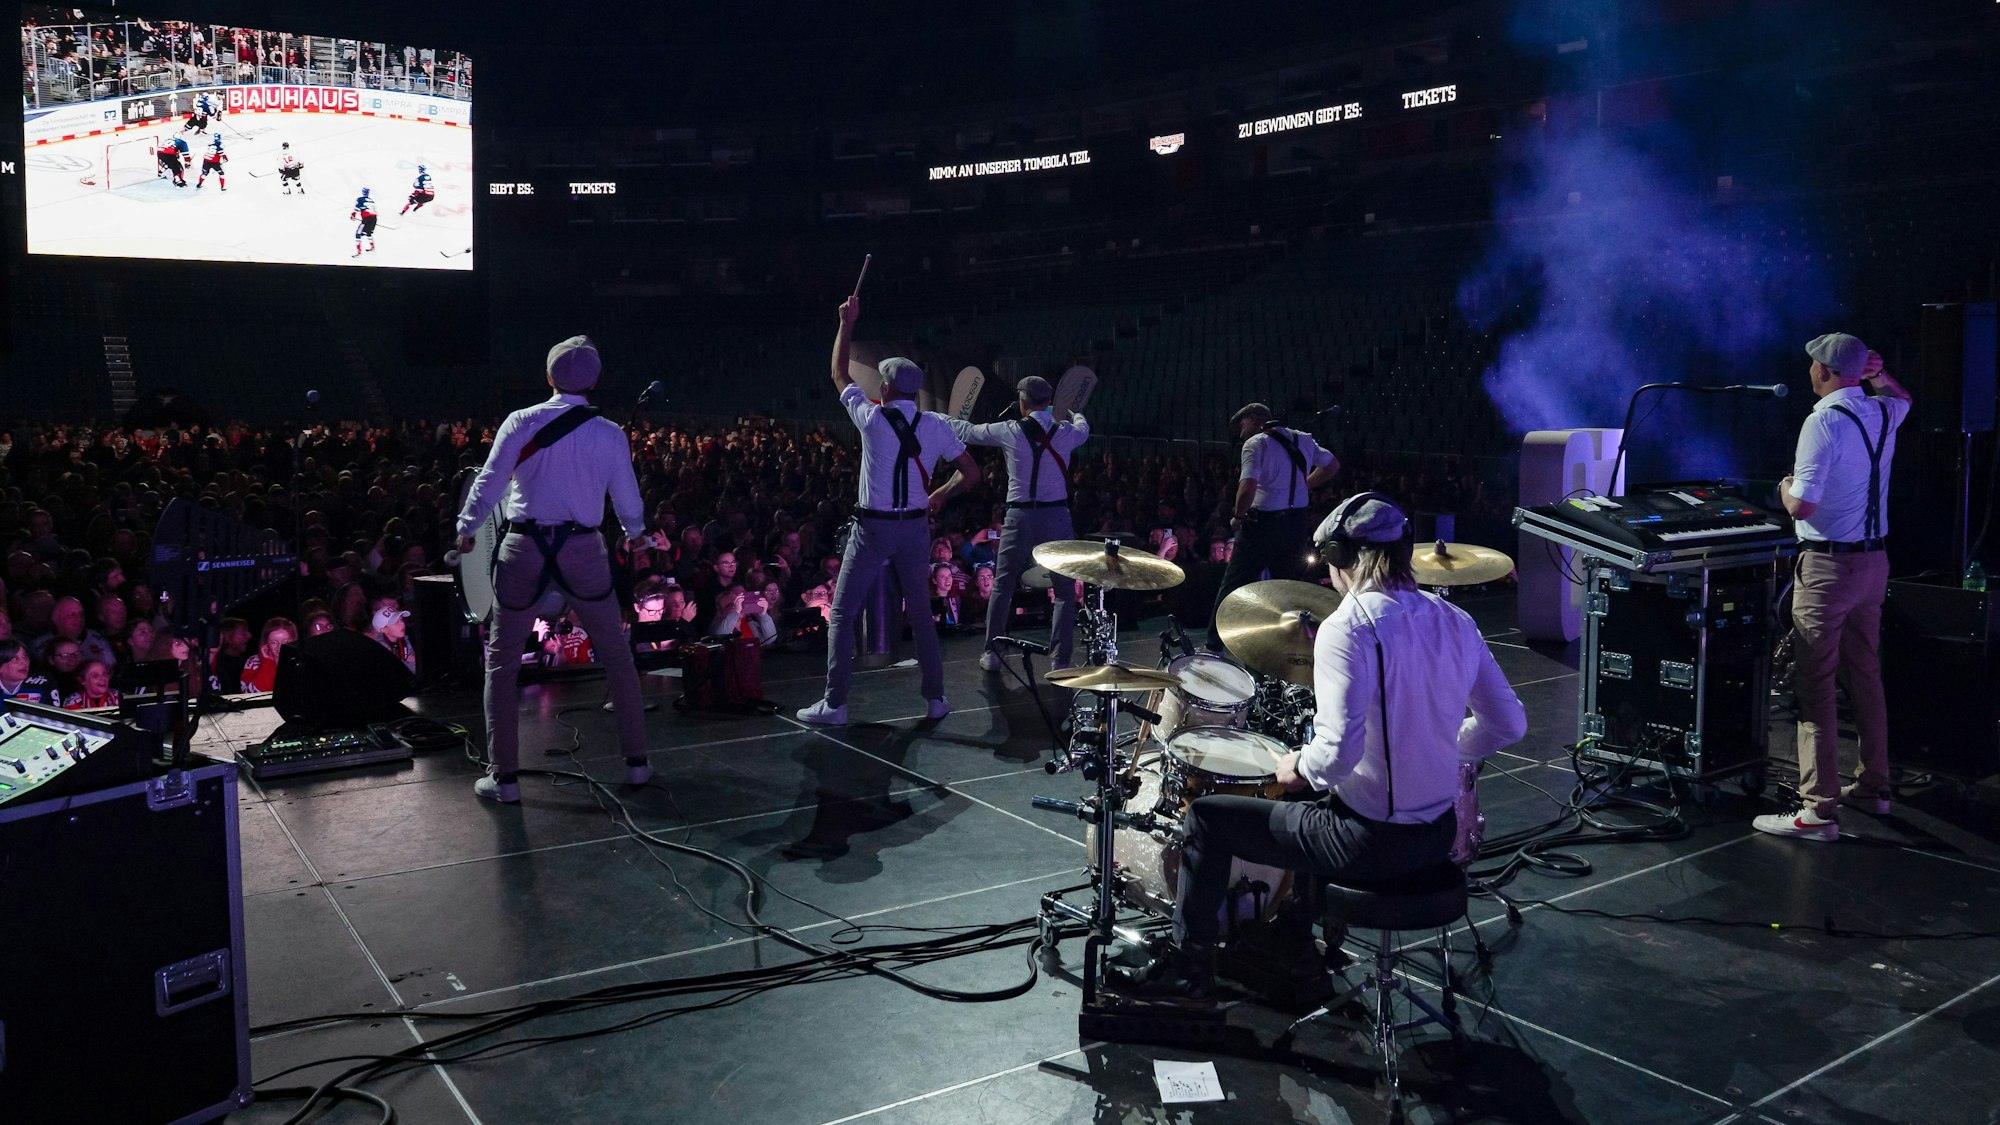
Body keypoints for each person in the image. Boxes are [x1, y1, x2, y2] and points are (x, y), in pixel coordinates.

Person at [1111, 493, 1526, 1000]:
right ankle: (1291, 944)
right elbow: (1508, 723)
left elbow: (1334, 759)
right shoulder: (1457, 622)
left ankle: (1188, 970)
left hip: (1369, 843)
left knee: (1209, 820)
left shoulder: (1347, 627)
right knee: (1309, 805)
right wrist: (1444, 748)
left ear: (1339, 558)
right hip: (1436, 833)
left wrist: (1295, 765)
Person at [456, 335, 652, 803]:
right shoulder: (608, 432)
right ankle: (638, 764)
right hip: (583, 549)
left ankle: (503, 780)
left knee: (502, 663)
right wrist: (636, 532)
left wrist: (467, 527)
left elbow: (489, 480)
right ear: (596, 380)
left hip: (524, 547)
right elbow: (626, 497)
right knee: (618, 656)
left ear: (548, 377)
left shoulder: (521, 421)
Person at [1755, 334, 1912, 842]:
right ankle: (1874, 786)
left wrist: (1781, 488)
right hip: (1874, 563)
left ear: (1823, 370)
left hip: (1828, 570)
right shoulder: (1885, 411)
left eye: (1812, 364)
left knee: (1815, 684)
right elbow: (1904, 398)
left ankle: (1817, 811)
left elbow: (1803, 506)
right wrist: (1880, 376)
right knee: (1865, 674)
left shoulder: (1822, 420)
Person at [796, 295, 980, 725]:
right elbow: (971, 474)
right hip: (915, 529)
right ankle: (935, 699)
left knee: (842, 612)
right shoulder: (935, 425)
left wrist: (847, 322)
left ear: (885, 388)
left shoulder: (872, 418)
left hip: (873, 528)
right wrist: (939, 496)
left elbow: (838, 373)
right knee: (920, 613)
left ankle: (836, 704)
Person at [950, 375, 1089, 671]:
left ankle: (993, 653)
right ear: (1049, 403)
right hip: (1055, 515)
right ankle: (1060, 661)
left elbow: (969, 431)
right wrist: (1076, 414)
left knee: (1003, 585)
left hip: (1020, 515)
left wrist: (937, 421)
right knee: (1064, 590)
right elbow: (1083, 429)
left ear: (1022, 403)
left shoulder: (1009, 430)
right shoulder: (1066, 432)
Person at [1208, 402, 1339, 651]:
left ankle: (1214, 644)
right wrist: (1305, 485)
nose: (1240, 433)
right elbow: (1332, 465)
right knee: (1287, 589)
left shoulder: (1256, 444)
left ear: (1256, 419)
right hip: (1295, 525)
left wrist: (1237, 516)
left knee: (1233, 583)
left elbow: (1247, 487)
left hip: (1262, 526)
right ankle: (1285, 648)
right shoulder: (1304, 440)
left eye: (1242, 425)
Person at [238, 616, 296, 693]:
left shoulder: (302, 660)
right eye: (274, 642)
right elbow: (250, 694)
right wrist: (267, 663)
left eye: (285, 641)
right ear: (266, 644)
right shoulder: (253, 662)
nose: (280, 647)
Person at [0, 639, 58, 711]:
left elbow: (54, 716)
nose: (24, 662)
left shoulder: (43, 682)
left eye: (25, 656)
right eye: (15, 659)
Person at [351, 188, 378, 257]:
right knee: (368, 232)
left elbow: (357, 208)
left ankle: (359, 251)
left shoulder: (360, 199)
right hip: (374, 218)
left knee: (358, 233)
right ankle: (372, 247)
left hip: (367, 217)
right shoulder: (372, 201)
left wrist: (353, 215)